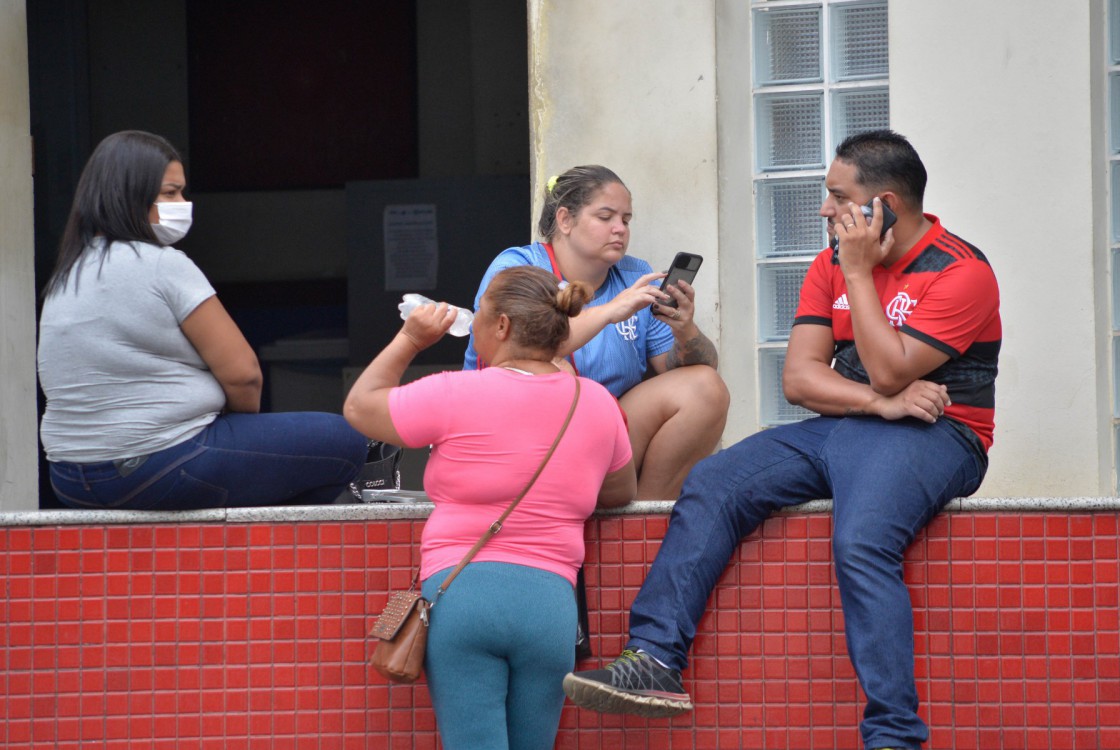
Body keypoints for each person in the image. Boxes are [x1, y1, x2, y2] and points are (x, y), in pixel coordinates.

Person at [563, 130, 1001, 750]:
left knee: (862, 538)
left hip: (943, 435)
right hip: (849, 424)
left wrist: (859, 276)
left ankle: (894, 734)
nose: (824, 209)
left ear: (885, 208)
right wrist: (882, 401)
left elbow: (890, 367)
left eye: (837, 196)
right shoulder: (829, 262)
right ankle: (655, 660)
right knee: (714, 483)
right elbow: (800, 379)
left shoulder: (960, 272)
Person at [344, 266, 636, 750]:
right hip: (550, 608)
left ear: (501, 327)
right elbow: (620, 489)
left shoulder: (456, 392)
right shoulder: (598, 402)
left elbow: (360, 407)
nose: (474, 323)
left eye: (479, 312)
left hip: (463, 596)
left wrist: (411, 339)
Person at [38, 130, 367, 510]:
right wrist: (238, 432)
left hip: (69, 477)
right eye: (170, 192)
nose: (183, 203)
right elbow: (244, 374)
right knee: (348, 441)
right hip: (160, 467)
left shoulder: (67, 274)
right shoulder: (162, 264)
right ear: (127, 195)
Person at [463, 165, 729, 500]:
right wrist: (610, 311)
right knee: (556, 372)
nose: (620, 229)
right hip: (518, 445)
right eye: (605, 217)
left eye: (626, 220)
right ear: (565, 220)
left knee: (705, 385)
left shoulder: (635, 273)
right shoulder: (518, 269)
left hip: (605, 439)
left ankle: (641, 527)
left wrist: (685, 330)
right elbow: (520, 351)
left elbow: (676, 372)